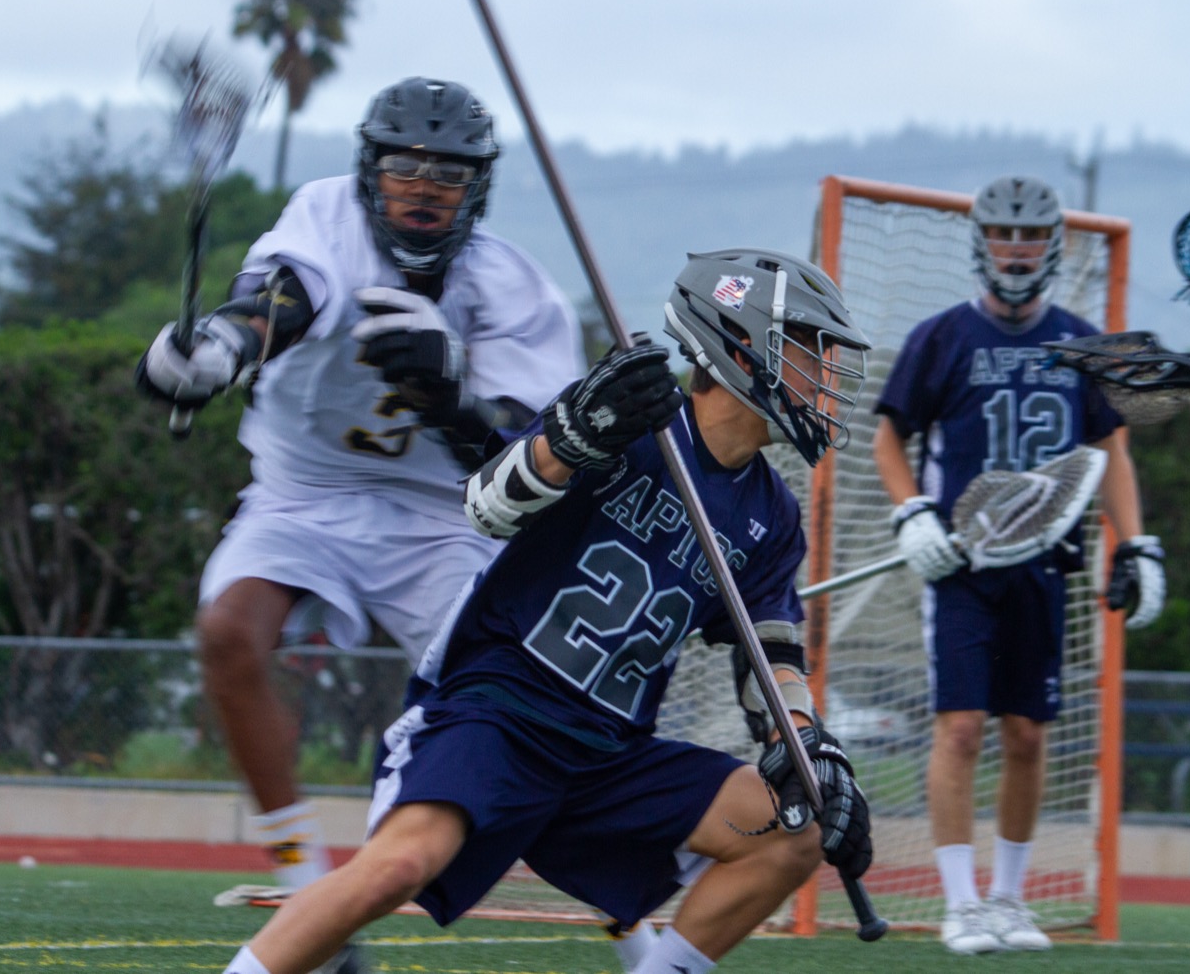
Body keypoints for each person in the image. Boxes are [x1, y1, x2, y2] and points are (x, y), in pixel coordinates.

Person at [214, 248, 876, 974]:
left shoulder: (771, 517)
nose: (824, 375)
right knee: (400, 866)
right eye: (810, 349)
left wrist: (808, 749)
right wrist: (575, 433)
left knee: (795, 830)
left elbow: (771, 660)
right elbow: (488, 504)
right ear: (741, 344)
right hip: (499, 715)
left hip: (608, 753)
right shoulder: (632, 421)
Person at [136, 76, 607, 967]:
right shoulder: (325, 217)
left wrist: (452, 392)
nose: (423, 187)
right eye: (404, 168)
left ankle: (631, 915)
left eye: (447, 173)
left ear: (479, 186)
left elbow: (526, 465)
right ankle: (302, 868)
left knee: (524, 711)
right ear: (368, 169)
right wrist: (216, 352)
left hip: (442, 518)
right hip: (301, 490)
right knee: (229, 634)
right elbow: (279, 298)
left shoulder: (511, 286)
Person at [871, 174, 1165, 955]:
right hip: (963, 567)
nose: (1016, 247)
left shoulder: (1082, 342)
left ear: (1051, 246)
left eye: (1030, 235)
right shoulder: (943, 337)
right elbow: (887, 438)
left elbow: (1111, 452)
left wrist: (1135, 544)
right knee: (961, 727)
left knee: (1030, 736)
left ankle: (1008, 899)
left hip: (1044, 563)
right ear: (981, 241)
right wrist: (912, 514)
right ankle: (961, 905)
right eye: (1004, 233)